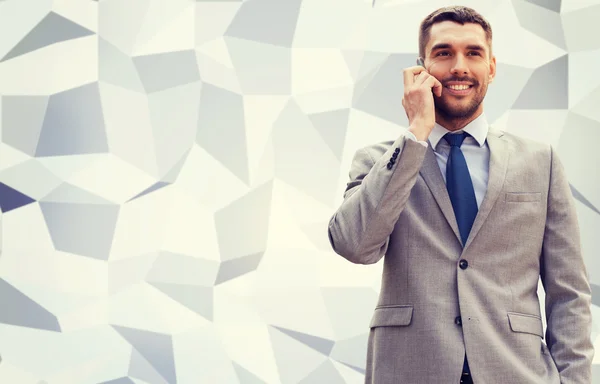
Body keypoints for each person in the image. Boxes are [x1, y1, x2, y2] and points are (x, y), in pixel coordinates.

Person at [327, 6, 593, 384]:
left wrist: (575, 380)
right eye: (443, 53)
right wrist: (417, 131)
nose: (459, 67)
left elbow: (569, 293)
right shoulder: (380, 161)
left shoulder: (540, 162)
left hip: (516, 371)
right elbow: (354, 245)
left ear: (492, 67)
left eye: (473, 53)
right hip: (410, 370)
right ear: (421, 68)